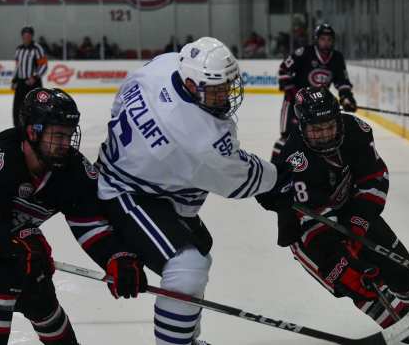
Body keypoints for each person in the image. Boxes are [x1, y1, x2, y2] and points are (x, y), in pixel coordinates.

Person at [96, 37, 288, 345]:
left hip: (137, 176)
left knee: (200, 249)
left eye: (227, 85)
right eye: (215, 90)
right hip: (125, 191)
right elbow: (239, 179)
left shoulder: (164, 65)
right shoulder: (202, 139)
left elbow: (121, 99)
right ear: (189, 83)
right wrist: (280, 178)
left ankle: (184, 338)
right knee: (187, 267)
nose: (225, 94)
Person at [0, 88, 146, 345]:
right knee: (0, 286)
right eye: (58, 135)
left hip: (7, 235)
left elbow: (89, 225)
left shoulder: (72, 171)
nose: (66, 144)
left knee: (41, 299)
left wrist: (116, 256)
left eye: (69, 135)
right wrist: (19, 247)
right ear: (33, 132)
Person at [257, 87, 409, 345]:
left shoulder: (356, 130)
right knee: (360, 282)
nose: (324, 134)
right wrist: (343, 249)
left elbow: (374, 177)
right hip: (311, 235)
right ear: (301, 126)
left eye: (329, 125)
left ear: (339, 119)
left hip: (351, 209)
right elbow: (311, 222)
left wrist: (358, 222)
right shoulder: (295, 159)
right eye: (315, 130)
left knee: (399, 266)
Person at [276, 23, 357, 142]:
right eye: (323, 39)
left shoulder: (337, 58)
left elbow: (342, 82)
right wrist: (294, 94)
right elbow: (283, 70)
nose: (326, 42)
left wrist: (346, 98)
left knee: (317, 139)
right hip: (295, 103)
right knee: (287, 138)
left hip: (318, 104)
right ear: (316, 39)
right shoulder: (304, 53)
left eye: (329, 39)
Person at [12, 26, 48, 128]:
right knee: (18, 108)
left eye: (28, 35)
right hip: (21, 83)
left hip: (34, 83)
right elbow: (17, 66)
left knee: (36, 107)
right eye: (24, 35)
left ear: (31, 36)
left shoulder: (37, 48)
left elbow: (44, 65)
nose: (26, 37)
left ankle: (37, 128)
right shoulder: (19, 49)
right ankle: (18, 128)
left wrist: (35, 77)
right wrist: (14, 80)